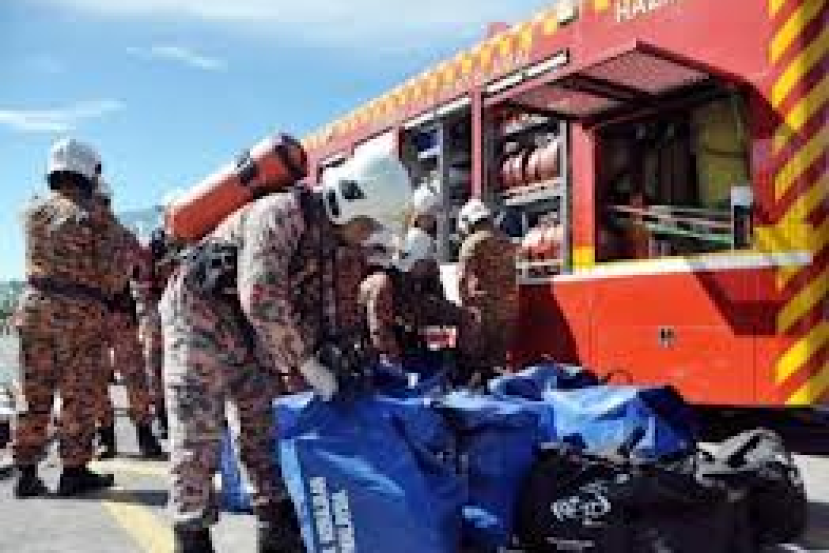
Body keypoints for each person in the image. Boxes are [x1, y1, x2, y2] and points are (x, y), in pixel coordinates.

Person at [160, 147, 412, 552]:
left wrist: (351, 364)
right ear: (350, 203)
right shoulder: (280, 214)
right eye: (368, 224)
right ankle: (191, 536)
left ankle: (275, 526)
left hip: (255, 333)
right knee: (198, 431)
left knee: (262, 426)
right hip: (199, 320)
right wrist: (308, 365)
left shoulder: (340, 247)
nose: (369, 235)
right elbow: (260, 296)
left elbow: (339, 316)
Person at [12, 138, 119, 497]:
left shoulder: (32, 211)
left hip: (34, 307)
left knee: (33, 390)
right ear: (89, 171)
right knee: (79, 392)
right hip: (80, 314)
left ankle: (26, 472)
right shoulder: (95, 214)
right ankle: (73, 471)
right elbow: (113, 275)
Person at [92, 180, 164, 459]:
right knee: (110, 377)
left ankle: (121, 436)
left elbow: (143, 269)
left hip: (111, 314)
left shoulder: (113, 234)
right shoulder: (118, 234)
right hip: (103, 315)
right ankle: (121, 436)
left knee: (124, 376)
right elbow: (143, 269)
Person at [456, 198, 519, 381]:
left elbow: (462, 278)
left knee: (474, 360)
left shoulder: (472, 242)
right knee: (498, 360)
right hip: (509, 308)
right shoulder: (506, 240)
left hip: (484, 309)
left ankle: (474, 391)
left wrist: (465, 306)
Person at [133, 227, 178, 437]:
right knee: (154, 365)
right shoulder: (151, 249)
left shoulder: (182, 244)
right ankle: (161, 416)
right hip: (153, 309)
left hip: (177, 308)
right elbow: (141, 286)